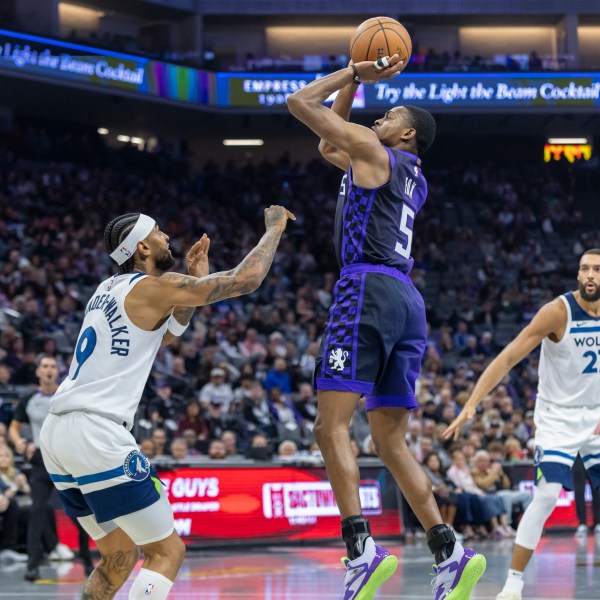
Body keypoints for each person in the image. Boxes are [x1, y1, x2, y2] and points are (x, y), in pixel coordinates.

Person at [287, 55, 485, 599]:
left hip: (365, 291)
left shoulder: (376, 151)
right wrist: (352, 94)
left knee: (330, 428)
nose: (379, 117)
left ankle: (360, 551)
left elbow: (300, 104)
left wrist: (353, 72)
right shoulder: (402, 172)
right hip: (406, 300)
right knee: (390, 440)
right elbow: (329, 145)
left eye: (389, 113)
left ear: (408, 132)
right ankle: (448, 551)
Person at [39, 207, 294, 599]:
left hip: (58, 435)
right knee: (167, 551)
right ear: (142, 247)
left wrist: (194, 281)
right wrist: (275, 227)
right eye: (158, 232)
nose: (167, 237)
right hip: (97, 432)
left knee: (118, 557)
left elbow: (167, 336)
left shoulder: (106, 290)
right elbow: (247, 278)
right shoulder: (150, 287)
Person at [444, 249, 600, 600]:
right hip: (558, 417)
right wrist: (472, 403)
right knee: (545, 496)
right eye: (584, 269)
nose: (590, 275)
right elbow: (511, 354)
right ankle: (514, 582)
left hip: (597, 416)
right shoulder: (558, 312)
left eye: (597, 270)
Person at [8, 354, 85, 581]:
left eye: (53, 366)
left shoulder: (67, 397)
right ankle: (33, 566)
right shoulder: (29, 400)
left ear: (57, 372)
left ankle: (89, 562)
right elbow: (14, 427)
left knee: (81, 513)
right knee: (37, 511)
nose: (49, 370)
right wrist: (20, 442)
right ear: (38, 372)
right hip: (41, 461)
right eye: (45, 366)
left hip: (66, 460)